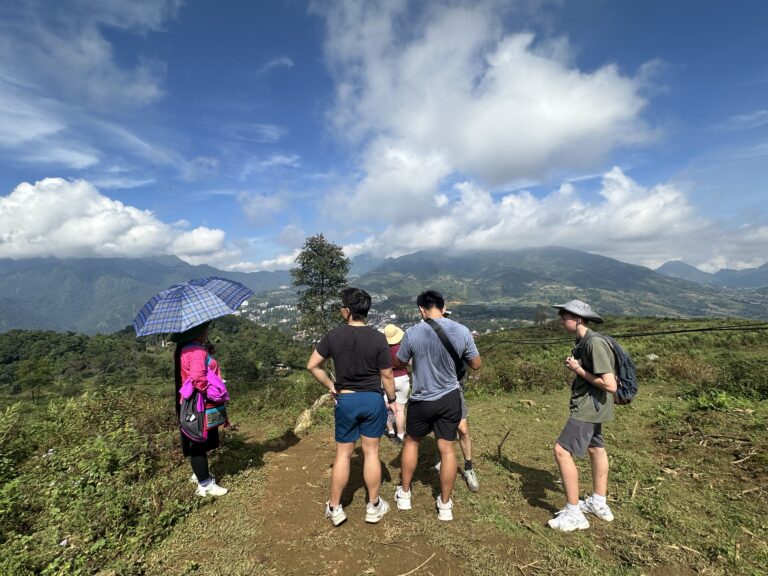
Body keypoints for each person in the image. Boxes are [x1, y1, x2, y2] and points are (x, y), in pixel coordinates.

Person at [307, 287, 396, 526]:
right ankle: (373, 506)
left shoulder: (334, 336)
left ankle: (335, 508)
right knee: (372, 453)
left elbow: (313, 365)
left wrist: (331, 386)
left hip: (346, 401)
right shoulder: (378, 338)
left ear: (347, 311)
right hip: (372, 399)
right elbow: (387, 375)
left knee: (343, 454)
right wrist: (392, 399)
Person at [393, 290, 481, 521]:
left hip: (421, 399)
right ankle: (445, 505)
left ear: (422, 309)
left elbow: (400, 362)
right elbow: (476, 364)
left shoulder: (412, 333)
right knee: (447, 449)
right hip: (450, 397)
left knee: (412, 442)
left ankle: (404, 495)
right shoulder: (462, 331)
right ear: (443, 307)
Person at [549, 299, 617, 532]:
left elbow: (610, 385)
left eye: (564, 315)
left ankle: (574, 512)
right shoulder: (583, 341)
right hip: (596, 406)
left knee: (561, 450)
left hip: (589, 407)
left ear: (578, 318)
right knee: (595, 448)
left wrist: (578, 370)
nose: (561, 319)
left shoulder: (593, 343)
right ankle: (598, 502)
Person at [172, 321, 228, 497]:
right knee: (198, 442)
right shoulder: (196, 351)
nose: (206, 332)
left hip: (187, 402)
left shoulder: (184, 348)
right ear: (197, 333)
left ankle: (199, 474)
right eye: (204, 329)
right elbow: (197, 378)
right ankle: (204, 484)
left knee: (195, 438)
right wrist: (209, 392)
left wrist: (207, 356)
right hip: (199, 403)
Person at [382, 324, 409, 444]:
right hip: (402, 378)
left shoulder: (382, 350)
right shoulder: (401, 349)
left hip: (387, 380)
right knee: (400, 409)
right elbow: (409, 363)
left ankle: (391, 431)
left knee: (388, 407)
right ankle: (401, 434)